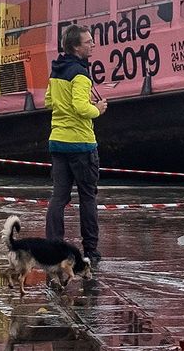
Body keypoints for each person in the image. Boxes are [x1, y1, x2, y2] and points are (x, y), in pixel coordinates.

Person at [45, 24, 107, 267]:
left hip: (58, 142)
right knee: (87, 198)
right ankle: (90, 250)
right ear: (75, 47)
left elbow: (49, 101)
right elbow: (82, 108)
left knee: (58, 198)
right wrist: (98, 109)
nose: (92, 45)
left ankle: (53, 247)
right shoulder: (81, 74)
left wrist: (67, 106)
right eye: (88, 42)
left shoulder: (57, 70)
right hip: (81, 145)